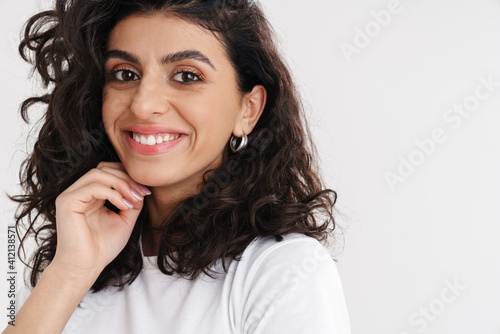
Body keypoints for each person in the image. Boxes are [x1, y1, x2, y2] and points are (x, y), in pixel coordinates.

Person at [4, 0, 351, 333]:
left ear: (248, 109)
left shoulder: (282, 270)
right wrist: (69, 272)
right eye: (125, 73)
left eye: (186, 76)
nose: (143, 105)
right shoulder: (81, 260)